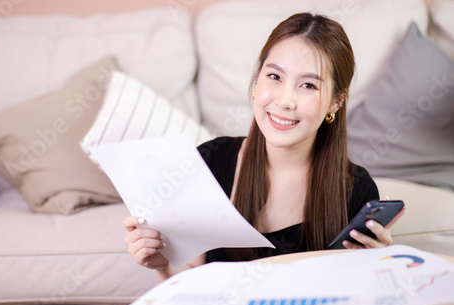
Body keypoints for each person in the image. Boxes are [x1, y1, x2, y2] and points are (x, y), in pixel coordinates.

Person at [123, 12, 405, 281]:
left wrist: (373, 268)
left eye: (308, 85)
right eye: (275, 77)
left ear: (336, 101)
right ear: (258, 78)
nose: (285, 100)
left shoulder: (356, 189)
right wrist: (162, 266)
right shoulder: (212, 161)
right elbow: (192, 286)